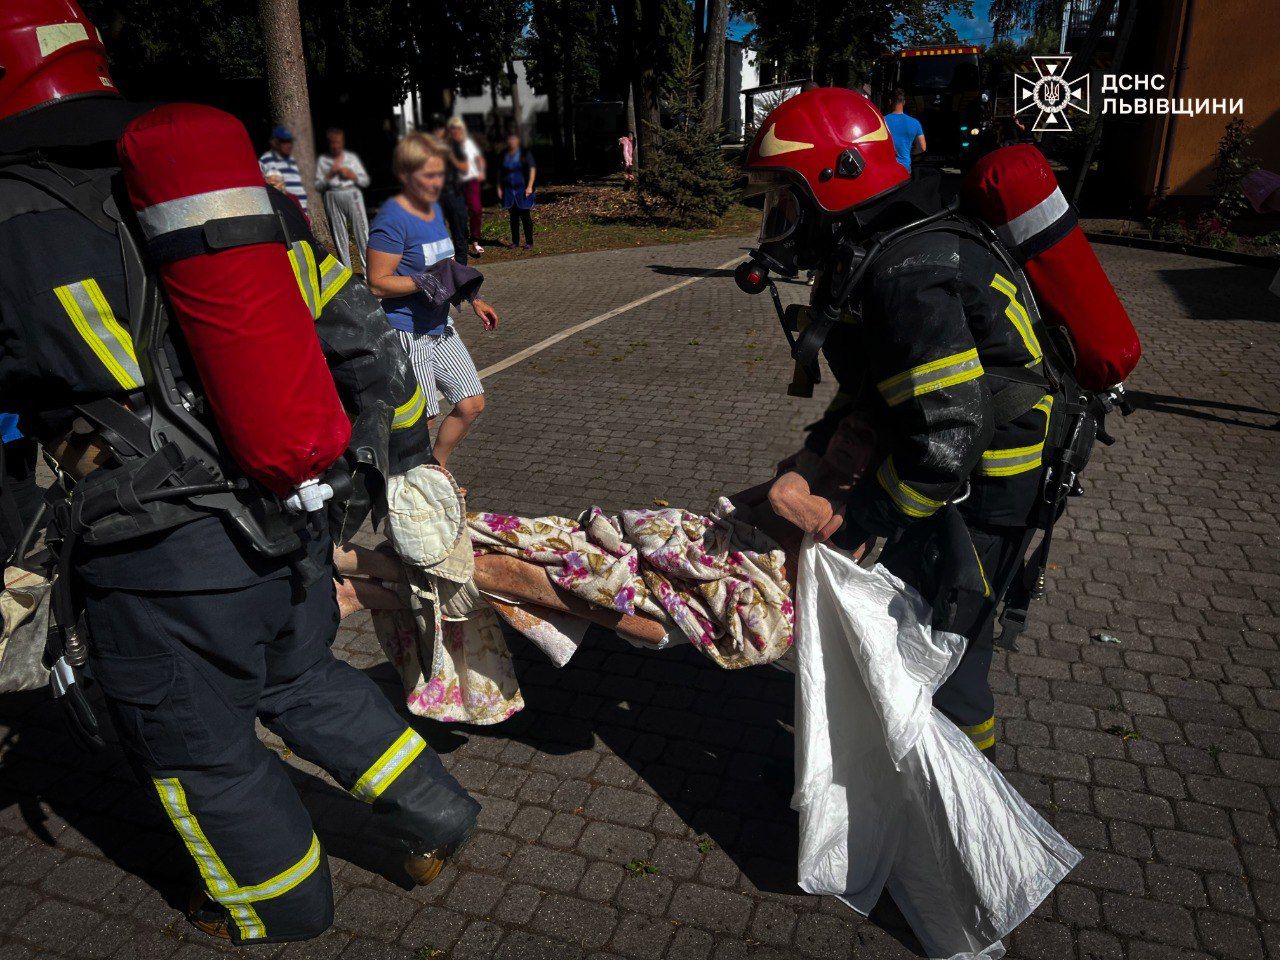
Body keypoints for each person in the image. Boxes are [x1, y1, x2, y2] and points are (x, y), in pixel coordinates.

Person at [0, 2, 478, 944]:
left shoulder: (9, 213)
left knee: (202, 753)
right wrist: (403, 464)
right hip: (291, 505)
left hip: (157, 553)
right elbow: (352, 331)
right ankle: (437, 813)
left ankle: (278, 907)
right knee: (301, 678)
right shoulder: (225, 189)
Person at [740, 87, 1073, 754]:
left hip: (988, 488)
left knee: (945, 657)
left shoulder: (906, 274)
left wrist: (865, 518)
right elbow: (874, 386)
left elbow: (946, 437)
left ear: (837, 180)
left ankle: (959, 823)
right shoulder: (880, 249)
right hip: (960, 476)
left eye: (786, 195)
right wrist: (819, 456)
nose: (778, 216)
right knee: (917, 634)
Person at [366, 132, 500, 469]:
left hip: (441, 326)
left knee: (471, 403)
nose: (436, 182)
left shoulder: (432, 211)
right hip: (407, 332)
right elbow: (377, 284)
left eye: (440, 174)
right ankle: (414, 488)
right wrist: (419, 281)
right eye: (428, 175)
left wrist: (473, 297)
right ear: (405, 175)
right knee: (421, 420)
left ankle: (436, 469)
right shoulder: (392, 220)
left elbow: (446, 266)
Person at [315, 127, 371, 271]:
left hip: (352, 193)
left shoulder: (351, 159)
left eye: (338, 143)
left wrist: (352, 175)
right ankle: (347, 272)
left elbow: (365, 181)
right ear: (329, 143)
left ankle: (367, 271)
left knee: (361, 232)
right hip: (332, 194)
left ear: (342, 142)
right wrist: (329, 175)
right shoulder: (323, 160)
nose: (335, 146)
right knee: (339, 233)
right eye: (332, 143)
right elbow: (318, 185)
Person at [428, 114, 473, 265]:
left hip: (454, 194)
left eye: (440, 128)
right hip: (437, 196)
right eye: (434, 129)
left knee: (459, 231)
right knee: (439, 233)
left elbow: (466, 168)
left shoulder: (454, 146)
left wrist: (451, 157)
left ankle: (461, 267)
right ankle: (443, 266)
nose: (437, 132)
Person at [449, 117, 486, 257]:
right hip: (456, 183)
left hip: (472, 180)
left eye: (459, 129)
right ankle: (459, 241)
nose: (457, 132)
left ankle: (475, 240)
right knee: (458, 214)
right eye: (454, 129)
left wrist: (481, 171)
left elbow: (479, 159)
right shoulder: (449, 147)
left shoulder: (469, 144)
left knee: (476, 210)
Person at [498, 131, 537, 250]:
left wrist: (530, 186)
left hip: (522, 189)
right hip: (509, 190)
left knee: (525, 216)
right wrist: (499, 188)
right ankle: (515, 241)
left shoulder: (525, 153)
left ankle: (529, 242)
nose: (511, 142)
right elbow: (499, 172)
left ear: (518, 141)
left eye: (514, 139)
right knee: (513, 217)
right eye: (509, 139)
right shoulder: (504, 154)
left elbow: (532, 169)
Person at [259, 124, 308, 211]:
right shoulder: (265, 160)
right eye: (284, 141)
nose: (289, 145)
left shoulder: (293, 161)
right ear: (275, 142)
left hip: (303, 213)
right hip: (286, 212)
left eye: (290, 141)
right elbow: (261, 187)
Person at [884, 89, 925, 173]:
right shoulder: (915, 123)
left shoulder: (882, 121)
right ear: (904, 102)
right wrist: (909, 152)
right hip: (904, 168)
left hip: (886, 168)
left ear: (890, 101)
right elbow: (922, 147)